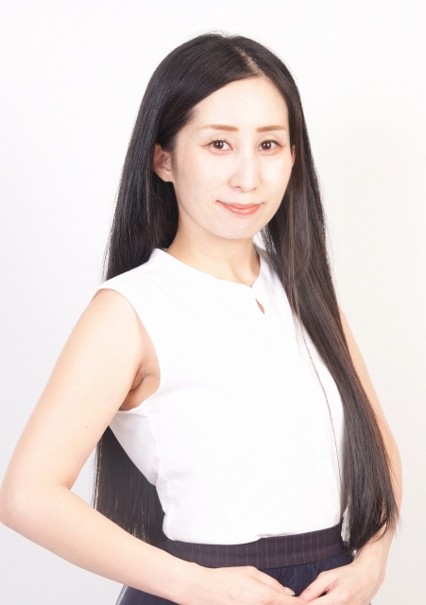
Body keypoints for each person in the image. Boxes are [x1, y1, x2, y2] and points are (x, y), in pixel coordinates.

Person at [0, 33, 401, 605]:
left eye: (269, 144)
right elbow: (27, 495)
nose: (247, 177)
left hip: (329, 588)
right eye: (218, 144)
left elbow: (377, 445)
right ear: (163, 159)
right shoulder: (129, 310)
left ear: (293, 157)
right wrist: (193, 584)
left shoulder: (307, 292)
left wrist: (373, 561)